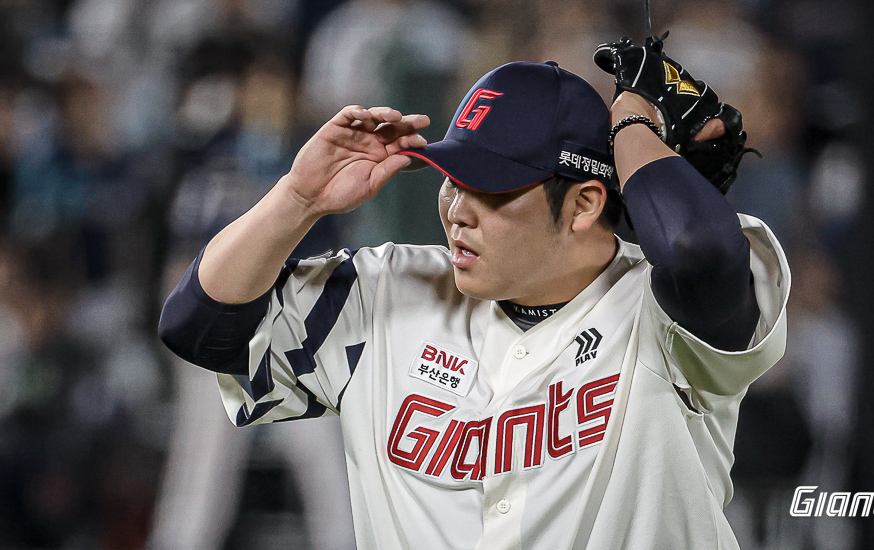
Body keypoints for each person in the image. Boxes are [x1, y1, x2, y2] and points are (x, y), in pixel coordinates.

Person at [159, 53, 790, 548]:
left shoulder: (663, 316)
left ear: (584, 205)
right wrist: (296, 200)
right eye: (453, 181)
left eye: (491, 189)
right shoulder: (386, 291)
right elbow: (199, 327)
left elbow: (694, 248)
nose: (457, 213)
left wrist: (630, 124)